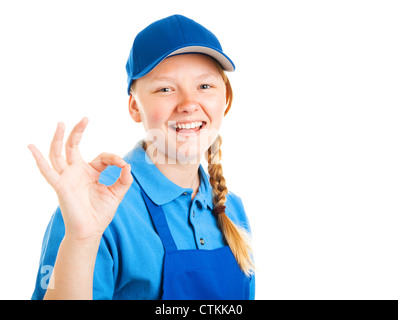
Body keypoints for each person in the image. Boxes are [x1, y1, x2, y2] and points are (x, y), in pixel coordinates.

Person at [30, 14, 255, 300]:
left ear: (226, 99)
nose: (188, 104)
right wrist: (81, 238)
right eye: (165, 89)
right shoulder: (93, 204)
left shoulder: (231, 209)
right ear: (135, 107)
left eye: (204, 86)